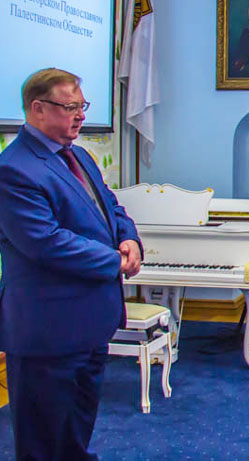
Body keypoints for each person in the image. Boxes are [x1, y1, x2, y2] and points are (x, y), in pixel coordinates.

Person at [0, 68, 143, 460]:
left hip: (90, 325)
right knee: (43, 443)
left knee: (76, 435)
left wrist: (129, 238)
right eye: (70, 107)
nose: (80, 116)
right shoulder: (13, 169)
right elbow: (45, 243)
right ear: (37, 109)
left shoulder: (79, 155)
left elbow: (110, 207)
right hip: (47, 331)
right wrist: (115, 260)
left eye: (82, 106)